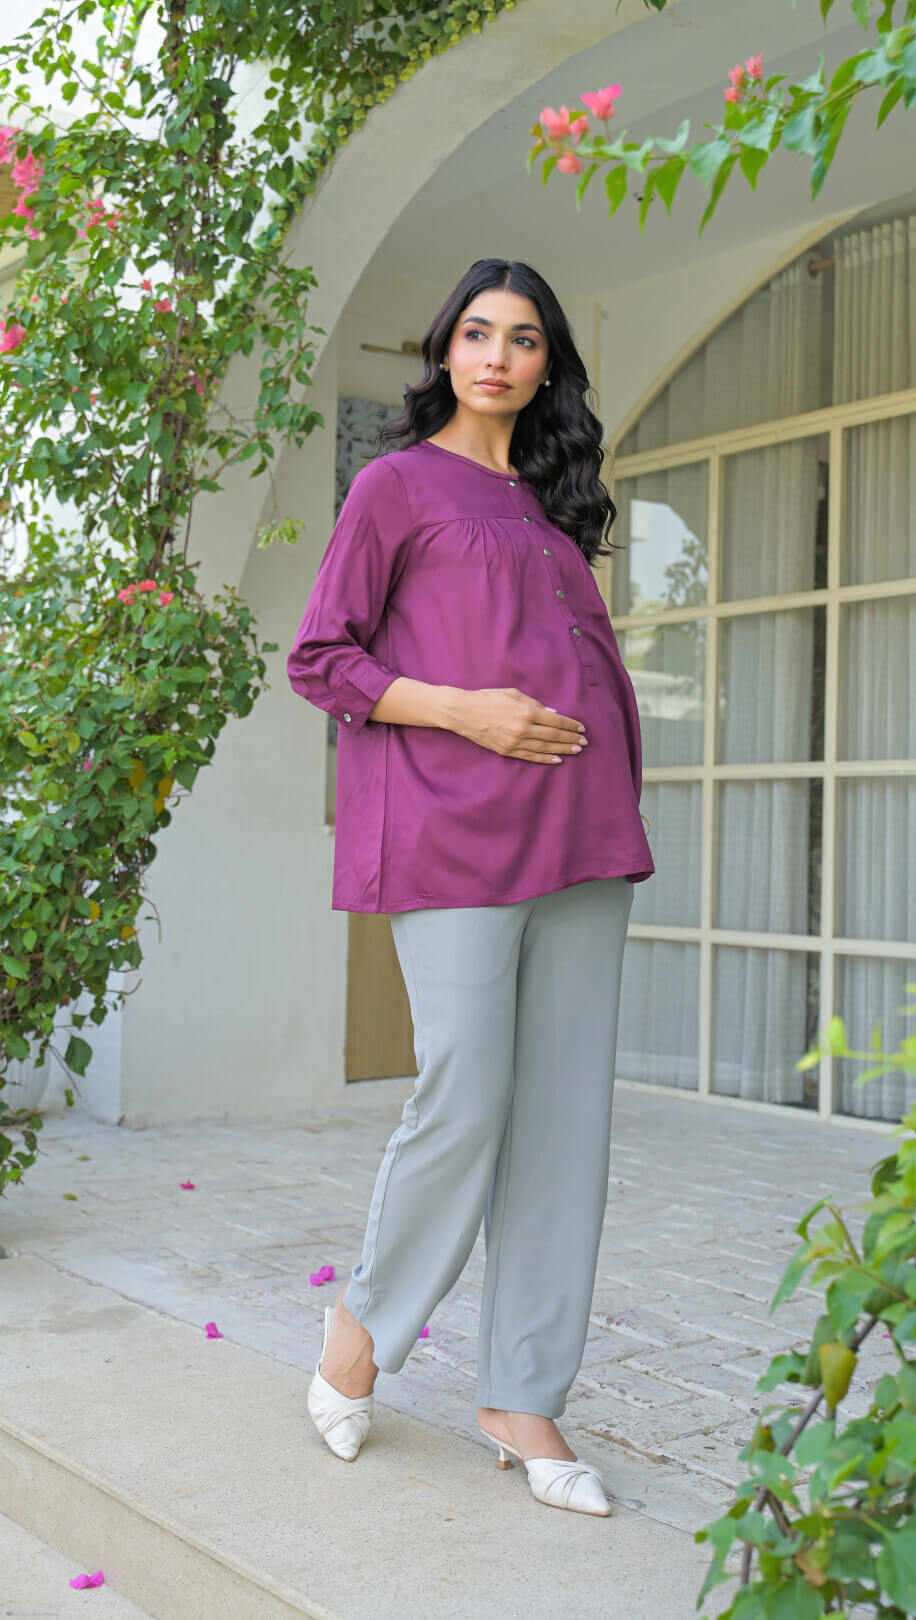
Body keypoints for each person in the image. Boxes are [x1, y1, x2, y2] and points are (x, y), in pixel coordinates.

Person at [286, 257, 654, 1518]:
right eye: (478, 333)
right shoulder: (394, 486)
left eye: (525, 338)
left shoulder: (552, 506)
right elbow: (321, 656)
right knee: (466, 1091)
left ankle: (523, 1397)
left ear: (548, 366)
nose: (498, 356)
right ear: (446, 349)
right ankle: (360, 1332)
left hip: (585, 832)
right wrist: (465, 711)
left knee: (565, 1121)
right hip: (454, 831)